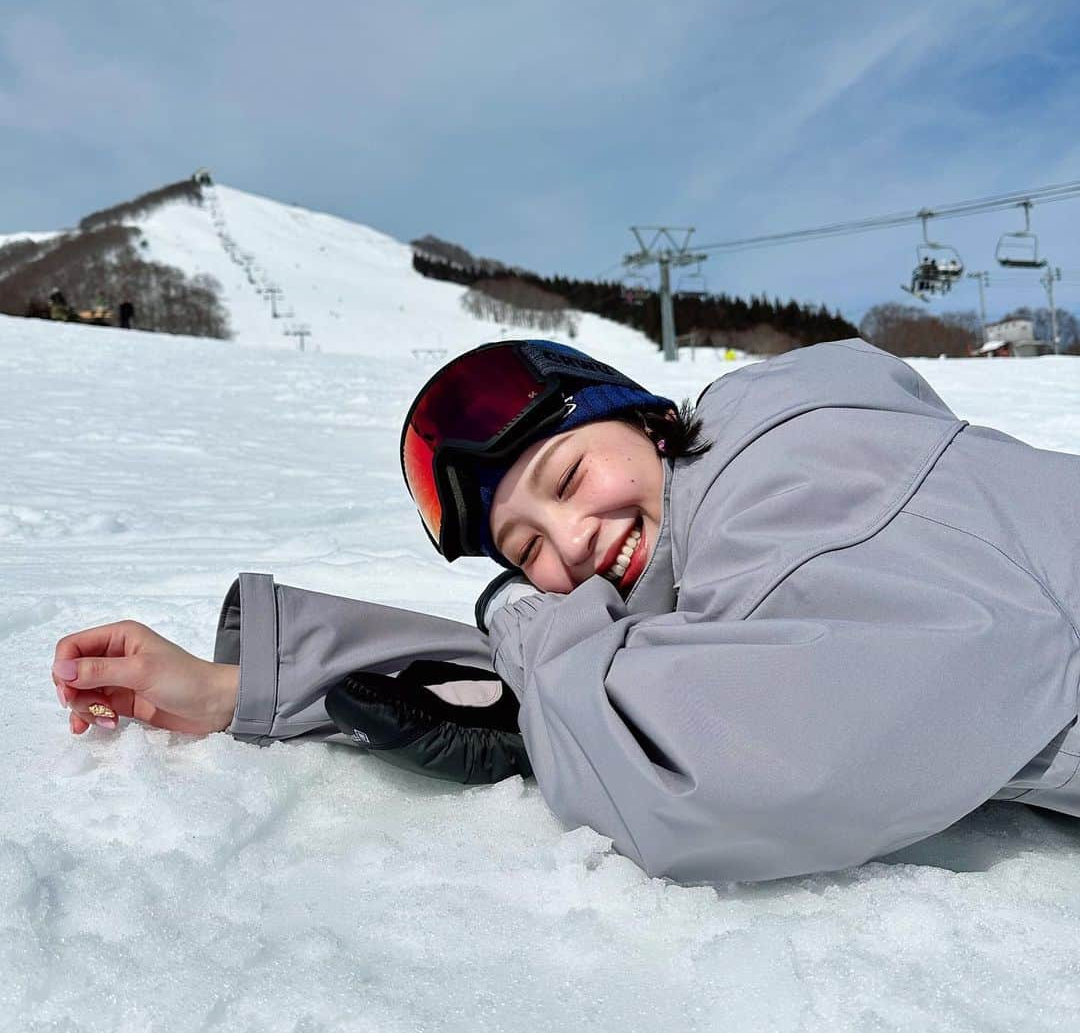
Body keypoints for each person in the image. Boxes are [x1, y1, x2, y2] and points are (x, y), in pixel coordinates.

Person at [51, 338, 1080, 885]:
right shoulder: (748, 514)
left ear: (637, 414)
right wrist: (247, 688)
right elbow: (659, 669)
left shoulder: (793, 482)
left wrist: (526, 619)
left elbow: (704, 774)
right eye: (527, 549)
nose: (574, 544)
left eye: (568, 472)